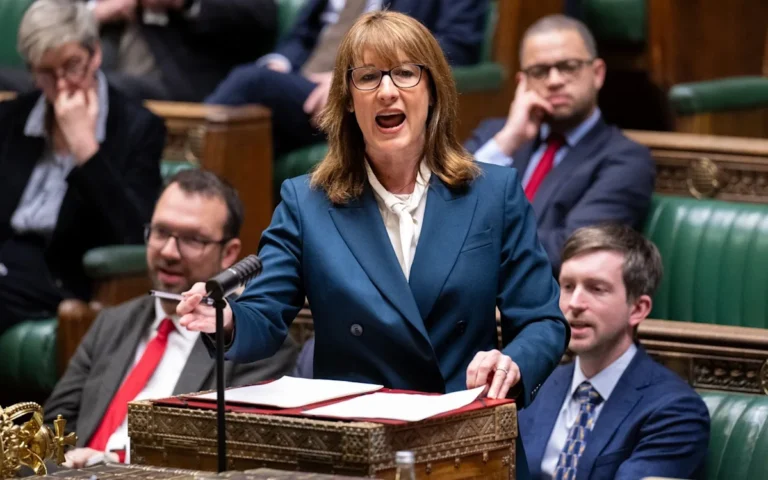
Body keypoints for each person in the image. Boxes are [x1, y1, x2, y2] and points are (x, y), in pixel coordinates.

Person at [179, 12, 568, 478]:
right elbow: (263, 313)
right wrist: (224, 321)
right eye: (367, 77)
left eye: (405, 73)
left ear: (433, 90)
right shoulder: (306, 203)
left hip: (467, 445)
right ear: (346, 101)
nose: (387, 91)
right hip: (358, 452)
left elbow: (544, 321)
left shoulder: (493, 194)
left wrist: (513, 363)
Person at [44, 169, 299, 468]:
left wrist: (112, 463)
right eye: (161, 232)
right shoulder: (111, 322)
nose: (169, 252)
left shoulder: (257, 346)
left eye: (192, 239)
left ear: (229, 253)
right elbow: (54, 425)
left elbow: (228, 456)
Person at [0, 0, 165, 332]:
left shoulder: (137, 127)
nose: (62, 85)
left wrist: (86, 151)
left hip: (62, 274)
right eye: (46, 72)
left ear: (96, 55)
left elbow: (136, 234)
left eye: (72, 65)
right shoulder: (13, 119)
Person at [464, 15, 655, 274]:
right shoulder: (494, 136)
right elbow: (436, 210)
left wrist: (468, 241)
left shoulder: (625, 160)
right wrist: (509, 140)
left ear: (597, 73)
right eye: (539, 71)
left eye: (569, 66)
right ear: (523, 83)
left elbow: (571, 250)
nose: (554, 80)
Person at [518, 224, 709, 480]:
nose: (574, 304)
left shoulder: (675, 411)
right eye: (567, 286)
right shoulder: (537, 387)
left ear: (638, 309)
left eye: (596, 289)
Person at [206, 0, 489, 156]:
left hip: (370, 90)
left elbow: (457, 46)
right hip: (301, 86)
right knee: (246, 140)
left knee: (252, 82)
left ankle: (185, 164)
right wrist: (281, 63)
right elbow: (303, 35)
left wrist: (354, 76)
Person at [0, 0, 278, 102]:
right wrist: (96, 11)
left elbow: (262, 16)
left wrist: (186, 4)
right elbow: (50, 16)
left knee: (96, 87)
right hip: (90, 60)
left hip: (175, 80)